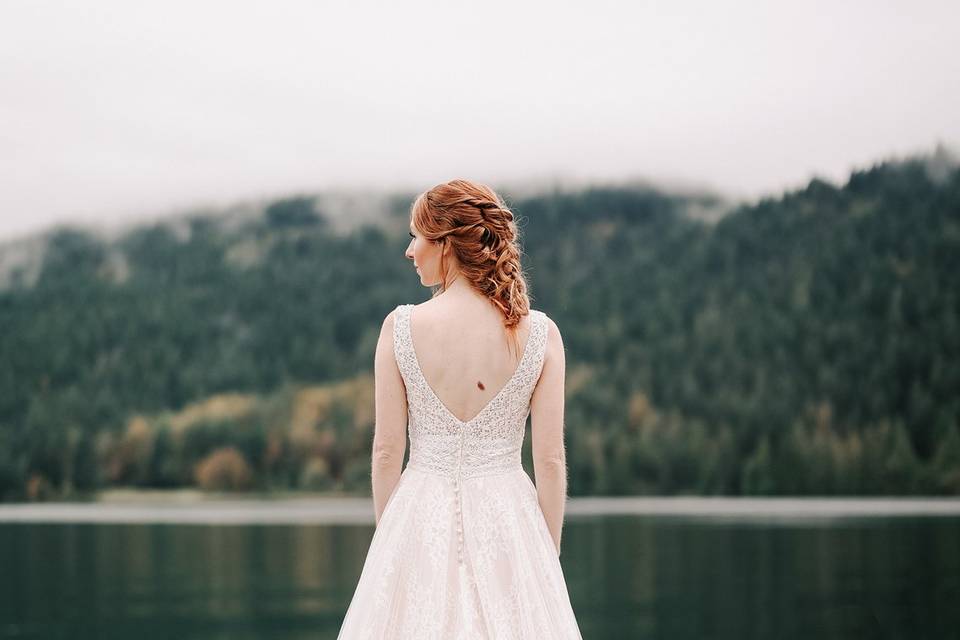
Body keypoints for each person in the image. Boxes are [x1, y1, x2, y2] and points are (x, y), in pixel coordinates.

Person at [336, 179, 583, 639]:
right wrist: (544, 561)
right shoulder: (542, 335)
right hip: (510, 523)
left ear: (446, 245)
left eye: (416, 237)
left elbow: (387, 453)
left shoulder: (400, 327)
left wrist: (393, 547)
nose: (410, 251)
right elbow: (549, 462)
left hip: (418, 513)